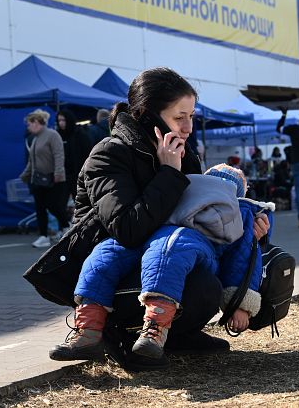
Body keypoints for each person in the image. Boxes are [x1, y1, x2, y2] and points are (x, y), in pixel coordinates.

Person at [24, 67, 270, 369]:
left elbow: (200, 218)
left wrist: (249, 231)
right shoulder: (109, 154)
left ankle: (178, 334)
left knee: (204, 275)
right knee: (192, 277)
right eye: (180, 117)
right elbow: (127, 229)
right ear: (148, 114)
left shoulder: (183, 152)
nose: (188, 127)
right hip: (113, 269)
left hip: (162, 255)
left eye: (191, 116)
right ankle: (114, 334)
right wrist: (168, 173)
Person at [50, 164, 272, 361]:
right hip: (158, 233)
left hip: (199, 243)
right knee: (107, 252)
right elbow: (244, 259)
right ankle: (88, 332)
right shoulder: (184, 186)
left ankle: (155, 329)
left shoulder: (241, 208)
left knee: (169, 250)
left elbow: (243, 256)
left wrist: (240, 305)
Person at [20, 109, 69, 249]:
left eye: (29, 124)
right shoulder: (35, 139)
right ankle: (43, 236)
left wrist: (58, 175)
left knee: (53, 206)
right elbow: (32, 161)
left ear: (37, 122)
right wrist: (25, 176)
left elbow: (59, 155)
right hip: (38, 180)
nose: (28, 127)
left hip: (53, 179)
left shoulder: (53, 135)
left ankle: (66, 226)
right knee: (40, 208)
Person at [56, 109, 92, 201]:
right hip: (63, 176)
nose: (61, 123)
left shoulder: (80, 134)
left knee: (80, 202)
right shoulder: (57, 135)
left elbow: (87, 154)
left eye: (63, 120)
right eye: (59, 120)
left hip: (77, 175)